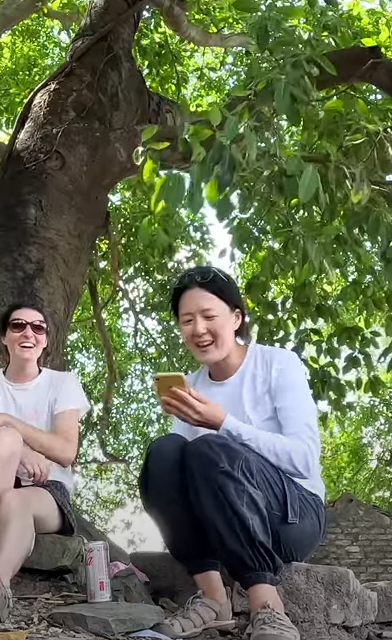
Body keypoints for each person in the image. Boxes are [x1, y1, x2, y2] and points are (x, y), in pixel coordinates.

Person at [139, 266, 326, 640]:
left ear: (236, 318)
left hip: (292, 515)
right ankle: (212, 599)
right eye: (187, 320)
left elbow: (304, 459)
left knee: (211, 447)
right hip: (226, 518)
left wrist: (224, 422)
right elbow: (181, 480)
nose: (199, 329)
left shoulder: (277, 365)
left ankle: (267, 606)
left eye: (209, 316)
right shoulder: (191, 386)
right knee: (164, 452)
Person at [0, 304, 91, 622]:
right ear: (4, 337)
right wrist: (15, 448)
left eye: (38, 328)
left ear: (46, 340)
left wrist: (8, 421)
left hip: (43, 493)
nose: (29, 333)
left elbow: (66, 451)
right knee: (6, 440)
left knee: (14, 500)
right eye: (18, 326)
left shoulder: (63, 384)